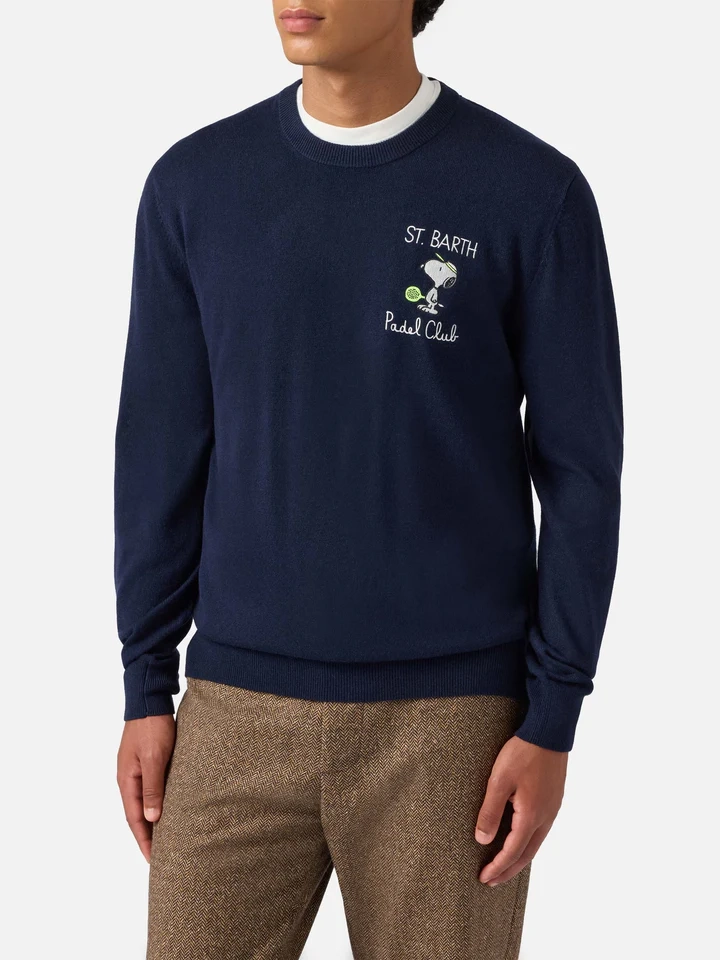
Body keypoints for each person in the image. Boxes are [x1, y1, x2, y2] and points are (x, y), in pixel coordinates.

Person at [114, 2, 623, 957]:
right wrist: (146, 684)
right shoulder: (194, 185)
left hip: (453, 730)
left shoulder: (531, 191)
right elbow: (159, 452)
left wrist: (553, 717)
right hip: (232, 710)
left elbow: (583, 475)